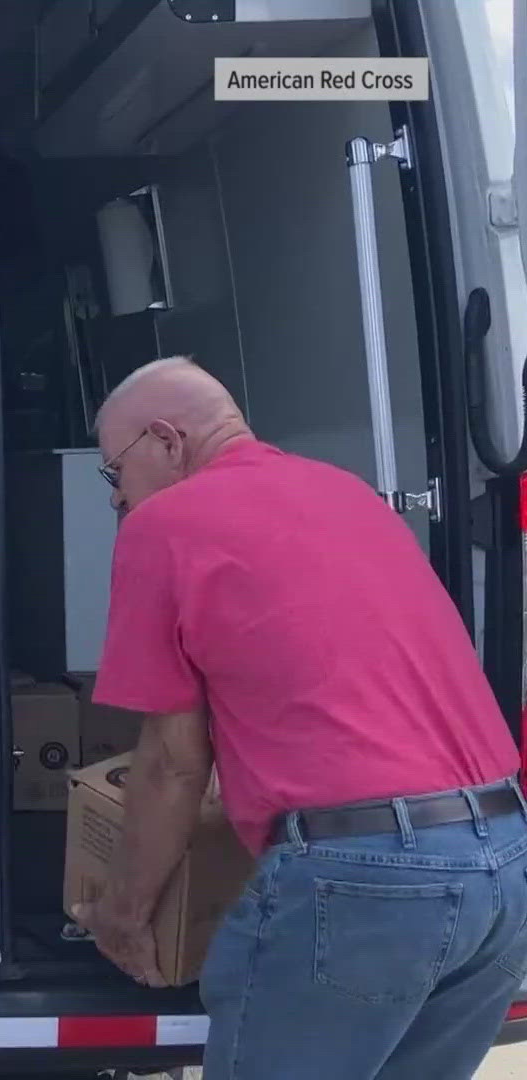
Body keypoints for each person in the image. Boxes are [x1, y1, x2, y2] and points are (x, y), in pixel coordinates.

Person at [71, 357, 525, 1078]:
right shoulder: (347, 493)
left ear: (166, 439)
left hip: (370, 879)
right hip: (502, 860)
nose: (120, 500)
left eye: (113, 474)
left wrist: (123, 914)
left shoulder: (166, 526)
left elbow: (173, 764)